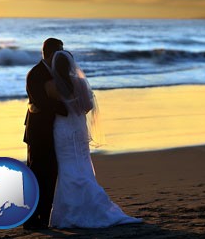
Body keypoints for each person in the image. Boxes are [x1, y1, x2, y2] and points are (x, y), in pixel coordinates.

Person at [45, 50, 142, 228]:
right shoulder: (81, 83)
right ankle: (92, 203)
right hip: (79, 127)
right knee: (82, 164)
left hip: (62, 129)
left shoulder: (51, 85)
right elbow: (88, 106)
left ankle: (67, 213)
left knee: (66, 168)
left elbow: (49, 109)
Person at [23, 38, 68, 230]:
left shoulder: (55, 72)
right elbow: (40, 102)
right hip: (38, 133)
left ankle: (44, 217)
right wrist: (64, 109)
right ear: (49, 53)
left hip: (53, 132)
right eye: (59, 52)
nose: (61, 56)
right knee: (35, 174)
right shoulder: (35, 74)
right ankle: (30, 219)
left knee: (50, 175)